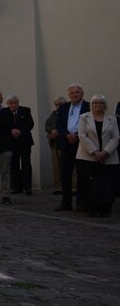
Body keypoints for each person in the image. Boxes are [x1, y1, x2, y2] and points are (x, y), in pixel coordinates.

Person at [75, 95, 119, 218]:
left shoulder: (112, 119)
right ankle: (91, 208)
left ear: (104, 105)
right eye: (95, 103)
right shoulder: (84, 117)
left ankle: (105, 208)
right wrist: (95, 152)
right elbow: (82, 136)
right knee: (89, 183)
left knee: (107, 183)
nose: (98, 105)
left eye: (100, 103)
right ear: (91, 104)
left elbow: (116, 137)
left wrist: (105, 152)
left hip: (108, 156)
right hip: (88, 156)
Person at [55, 83, 90, 212]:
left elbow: (90, 125)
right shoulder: (64, 107)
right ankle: (66, 202)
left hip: (82, 144)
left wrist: (76, 135)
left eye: (77, 92)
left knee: (82, 174)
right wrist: (66, 135)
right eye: (72, 93)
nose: (75, 95)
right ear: (69, 95)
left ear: (82, 94)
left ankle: (81, 202)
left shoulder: (88, 107)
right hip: (66, 143)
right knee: (65, 174)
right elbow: (58, 124)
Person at [6, 95, 35, 195]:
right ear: (8, 104)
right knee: (14, 164)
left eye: (15, 102)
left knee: (26, 163)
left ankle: (27, 187)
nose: (14, 105)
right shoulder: (5, 113)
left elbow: (30, 124)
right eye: (11, 103)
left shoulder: (25, 110)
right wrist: (11, 131)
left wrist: (20, 131)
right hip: (11, 142)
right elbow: (3, 125)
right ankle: (16, 187)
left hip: (24, 141)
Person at [45, 97, 66, 195]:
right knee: (56, 166)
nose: (58, 106)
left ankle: (73, 187)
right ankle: (58, 187)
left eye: (60, 104)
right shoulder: (54, 113)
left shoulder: (68, 113)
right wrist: (51, 131)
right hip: (54, 143)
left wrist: (58, 132)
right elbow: (47, 124)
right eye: (56, 104)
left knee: (67, 165)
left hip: (65, 142)